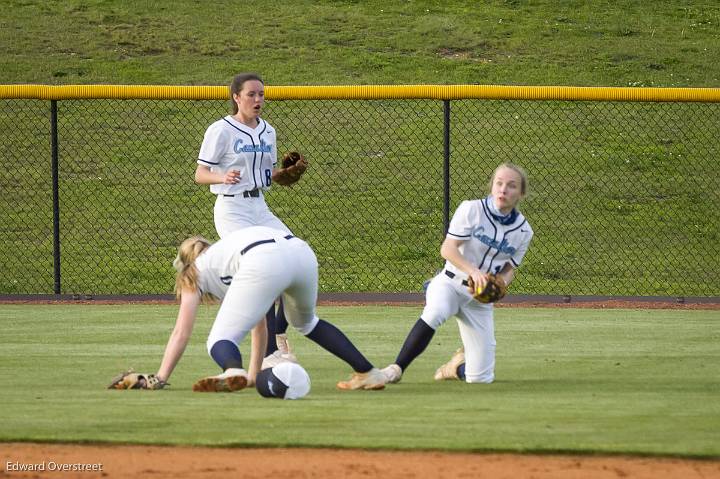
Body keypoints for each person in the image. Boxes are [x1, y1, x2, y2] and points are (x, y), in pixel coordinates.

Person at [155, 226, 386, 392]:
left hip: (263, 258)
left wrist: (161, 377)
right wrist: (254, 376)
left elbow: (181, 332)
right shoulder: (225, 253)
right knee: (307, 323)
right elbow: (260, 325)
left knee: (220, 338)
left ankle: (232, 369)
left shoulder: (193, 272)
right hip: (301, 252)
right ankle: (368, 372)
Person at [381, 163, 533, 384]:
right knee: (435, 312)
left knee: (480, 379)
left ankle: (456, 367)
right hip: (450, 283)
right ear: (492, 186)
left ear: (520, 193)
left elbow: (510, 269)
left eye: (511, 186)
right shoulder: (472, 209)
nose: (503, 190)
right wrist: (474, 271)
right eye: (499, 183)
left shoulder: (523, 230)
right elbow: (448, 248)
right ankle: (396, 369)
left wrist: (502, 283)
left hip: (479, 300)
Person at [194, 72, 308, 370]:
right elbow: (200, 174)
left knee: (296, 259)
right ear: (236, 97)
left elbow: (271, 177)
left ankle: (279, 334)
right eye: (251, 95)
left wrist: (290, 174)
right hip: (232, 209)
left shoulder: (268, 131)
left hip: (260, 206)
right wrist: (222, 176)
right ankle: (269, 352)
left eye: (261, 94)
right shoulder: (220, 130)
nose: (258, 100)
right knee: (264, 271)